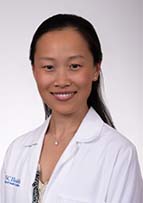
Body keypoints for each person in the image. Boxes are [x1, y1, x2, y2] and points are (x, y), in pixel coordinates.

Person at [0, 14, 142, 203]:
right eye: (49, 67)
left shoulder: (119, 154)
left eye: (74, 66)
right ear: (34, 70)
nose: (61, 81)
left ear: (95, 69)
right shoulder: (17, 150)